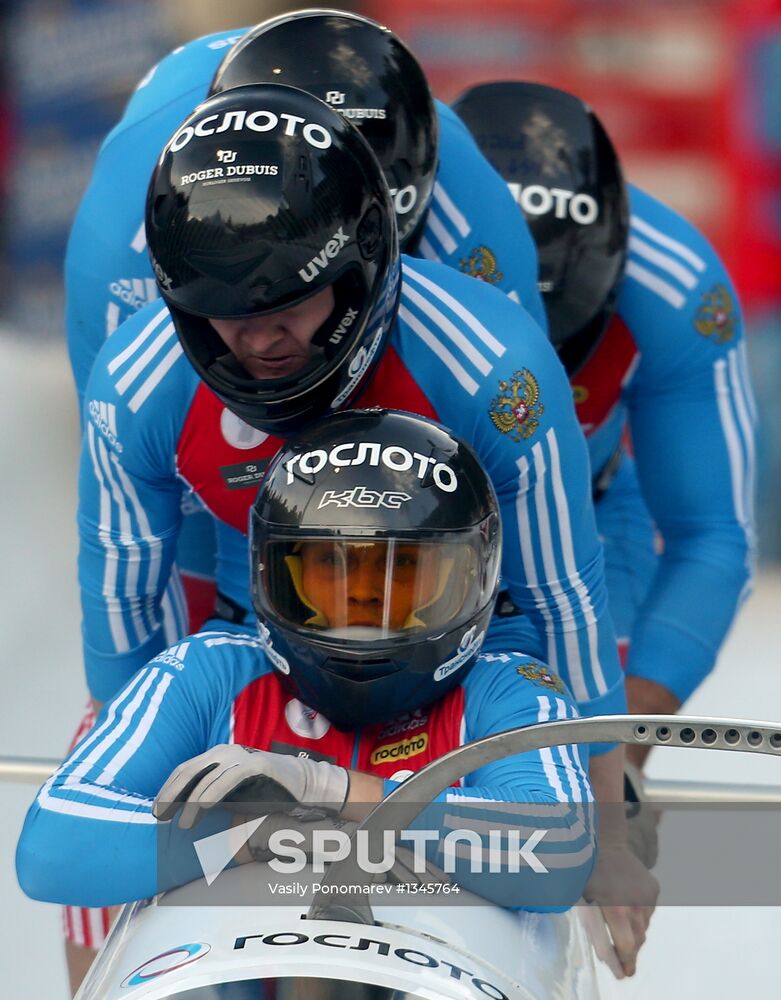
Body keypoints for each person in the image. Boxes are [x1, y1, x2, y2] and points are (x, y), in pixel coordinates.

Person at [73, 83, 652, 977]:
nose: (257, 342)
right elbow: (125, 616)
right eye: (226, 316)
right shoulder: (136, 385)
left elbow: (558, 597)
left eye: (285, 308)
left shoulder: (491, 367)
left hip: (461, 640)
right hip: (257, 625)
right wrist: (192, 810)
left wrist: (605, 823)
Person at [63, 9, 546, 642]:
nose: (262, 332)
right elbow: (143, 485)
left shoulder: (470, 216)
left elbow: (523, 457)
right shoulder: (121, 248)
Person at [18, 409, 597, 913]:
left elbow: (562, 849)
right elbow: (53, 849)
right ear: (277, 574)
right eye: (334, 566)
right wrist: (245, 837)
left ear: (471, 580)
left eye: (406, 572)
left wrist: (331, 790)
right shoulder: (208, 675)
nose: (367, 594)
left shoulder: (513, 691)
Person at [451, 82, 757, 782]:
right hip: (408, 521)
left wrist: (619, 749)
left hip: (585, 513)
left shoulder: (675, 288)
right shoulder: (383, 249)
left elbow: (712, 534)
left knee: (584, 772)